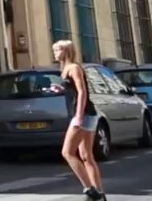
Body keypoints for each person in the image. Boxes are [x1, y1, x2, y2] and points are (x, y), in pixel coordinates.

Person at [53, 39, 106, 200]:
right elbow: (74, 89)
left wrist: (78, 116)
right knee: (86, 155)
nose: (55, 53)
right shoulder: (66, 69)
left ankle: (90, 190)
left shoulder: (74, 68)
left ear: (66, 51)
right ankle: (100, 193)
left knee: (67, 152)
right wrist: (61, 88)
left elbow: (82, 92)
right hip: (85, 114)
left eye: (57, 50)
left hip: (83, 114)